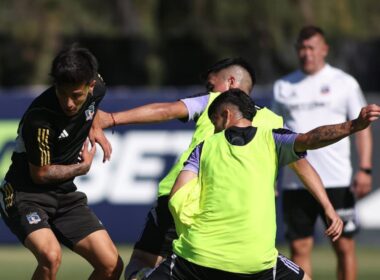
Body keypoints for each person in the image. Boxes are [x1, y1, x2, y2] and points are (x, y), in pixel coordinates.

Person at [92, 57, 341, 280]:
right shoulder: (273, 124)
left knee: (143, 263)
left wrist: (113, 118)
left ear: (231, 83)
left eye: (211, 86)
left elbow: (166, 110)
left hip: (180, 201)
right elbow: (302, 166)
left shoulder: (213, 102)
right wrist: (328, 206)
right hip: (229, 215)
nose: (208, 92)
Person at [142, 90, 379, 280]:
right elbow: (310, 139)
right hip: (255, 264)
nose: (214, 130)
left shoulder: (204, 147)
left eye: (214, 123)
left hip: (197, 258)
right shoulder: (274, 138)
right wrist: (353, 126)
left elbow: (177, 196)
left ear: (225, 115)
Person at [0, 46, 123, 280]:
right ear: (55, 85)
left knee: (111, 265)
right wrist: (82, 168)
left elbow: (91, 107)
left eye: (76, 95)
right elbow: (41, 174)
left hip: (64, 195)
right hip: (24, 195)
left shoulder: (98, 88)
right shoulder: (40, 119)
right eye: (62, 93)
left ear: (91, 86)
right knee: (50, 256)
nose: (68, 103)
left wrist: (94, 126)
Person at [272, 26, 373, 280]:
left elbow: (361, 129)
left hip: (336, 179)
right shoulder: (283, 86)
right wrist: (273, 176)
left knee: (344, 245)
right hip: (296, 181)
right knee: (299, 247)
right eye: (302, 48)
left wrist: (365, 168)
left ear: (324, 50)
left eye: (311, 48)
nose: (306, 53)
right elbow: (273, 134)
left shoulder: (344, 83)